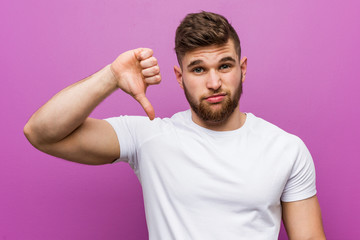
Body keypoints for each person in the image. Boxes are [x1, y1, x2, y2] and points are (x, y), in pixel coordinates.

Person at [24, 11, 326, 240]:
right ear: (180, 77)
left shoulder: (286, 148)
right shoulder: (150, 137)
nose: (214, 82)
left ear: (242, 69)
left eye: (224, 65)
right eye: (198, 69)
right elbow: (41, 133)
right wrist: (111, 77)